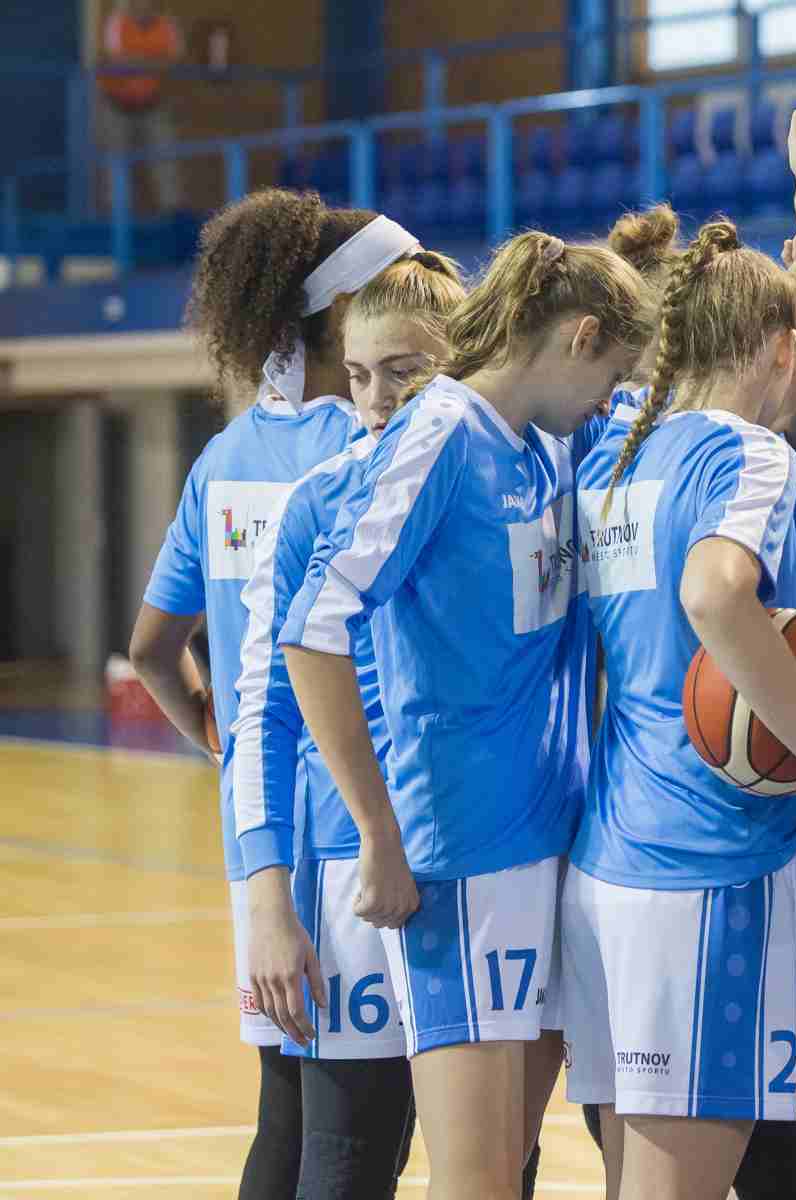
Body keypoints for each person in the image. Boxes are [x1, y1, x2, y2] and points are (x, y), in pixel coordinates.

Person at [281, 230, 648, 1200]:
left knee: (505, 1172)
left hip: (551, 846)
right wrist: (377, 834)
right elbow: (312, 631)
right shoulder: (439, 434)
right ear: (578, 338)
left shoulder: (546, 443)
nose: (610, 397)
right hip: (458, 858)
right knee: (475, 1181)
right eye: (611, 373)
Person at [563, 195, 796, 1199]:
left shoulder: (619, 455)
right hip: (705, 866)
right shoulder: (746, 454)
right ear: (785, 353)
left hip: (609, 863)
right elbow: (713, 593)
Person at [128, 189, 416, 1200]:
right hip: (355, 833)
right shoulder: (369, 451)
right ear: (345, 315)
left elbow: (152, 649)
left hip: (257, 844)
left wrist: (227, 739)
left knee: (285, 1122)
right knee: (357, 1145)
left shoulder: (224, 457)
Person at [231, 251, 469, 1199]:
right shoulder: (313, 502)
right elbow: (260, 719)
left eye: (404, 372)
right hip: (348, 879)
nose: (375, 401)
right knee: (345, 1165)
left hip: (485, 862)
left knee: (493, 1166)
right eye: (361, 374)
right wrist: (268, 904)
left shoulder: (523, 477)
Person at [96, 0, 183, 212]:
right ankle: (117, 215)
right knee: (116, 163)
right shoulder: (117, 22)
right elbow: (117, 61)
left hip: (153, 103)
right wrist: (153, 62)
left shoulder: (167, 25)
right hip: (116, 104)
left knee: (165, 158)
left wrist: (138, 61)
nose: (144, 5)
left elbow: (174, 62)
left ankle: (172, 215)